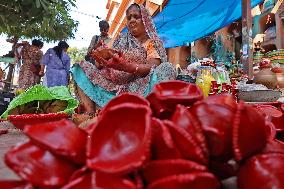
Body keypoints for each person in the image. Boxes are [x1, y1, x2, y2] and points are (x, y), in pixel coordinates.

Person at [71, 3, 176, 115]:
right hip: (111, 89)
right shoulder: (120, 39)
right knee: (80, 67)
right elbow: (99, 65)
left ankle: (149, 112)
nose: (132, 20)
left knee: (167, 68)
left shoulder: (151, 43)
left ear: (145, 20)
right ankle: (90, 113)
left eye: (136, 16)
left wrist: (128, 67)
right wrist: (99, 57)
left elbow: (154, 66)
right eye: (129, 17)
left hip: (139, 89)